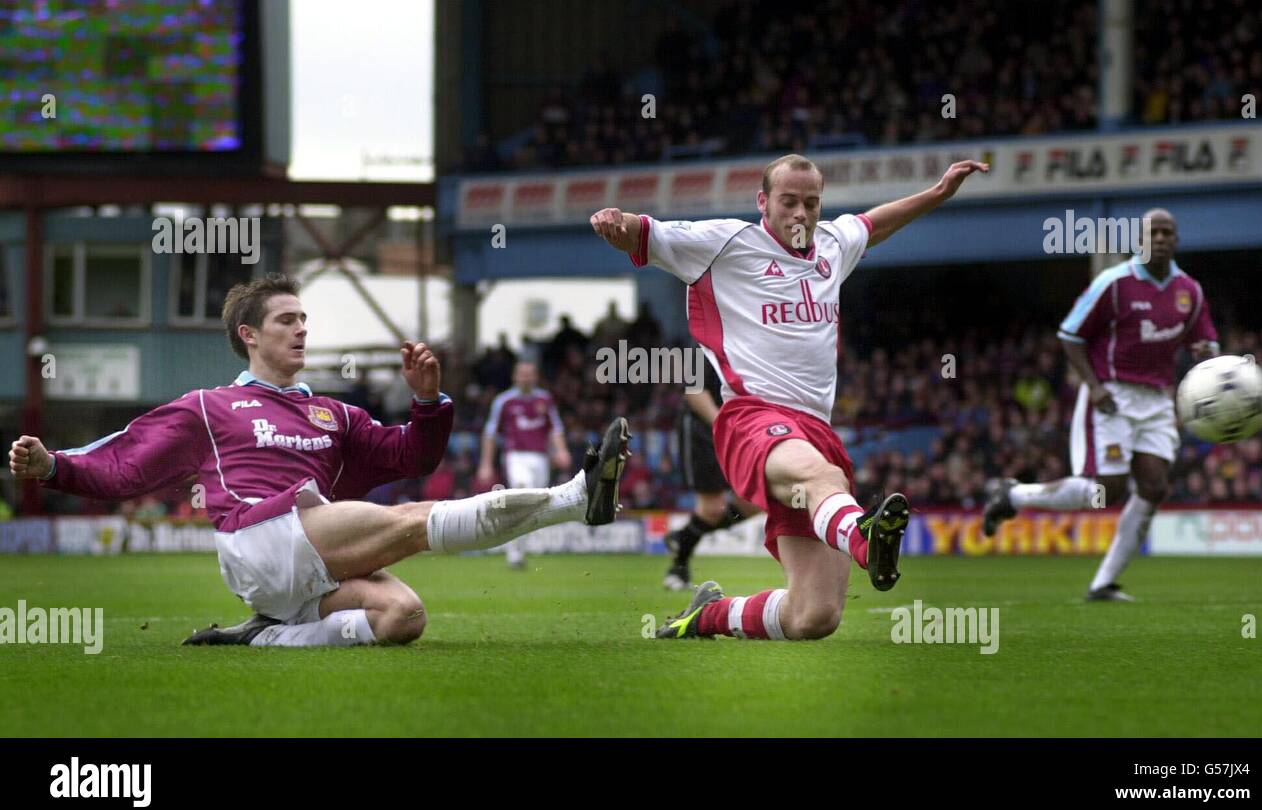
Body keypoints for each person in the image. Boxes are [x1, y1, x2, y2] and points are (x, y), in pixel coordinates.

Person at [9, 275, 628, 647]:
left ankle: (269, 635)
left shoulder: (335, 414)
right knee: (413, 522)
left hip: (306, 560)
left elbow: (413, 454)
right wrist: (54, 466)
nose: (301, 329)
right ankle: (575, 499)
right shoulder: (208, 406)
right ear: (249, 335)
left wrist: (427, 401)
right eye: (286, 320)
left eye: (304, 318)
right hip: (256, 538)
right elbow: (126, 463)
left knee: (404, 618)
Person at [591, 152, 987, 640]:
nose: (801, 213)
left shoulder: (833, 247)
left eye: (812, 203)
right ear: (763, 201)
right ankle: (866, 541)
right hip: (752, 418)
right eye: (789, 201)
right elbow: (650, 234)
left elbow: (873, 224)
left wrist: (937, 193)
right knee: (820, 476)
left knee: (814, 617)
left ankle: (706, 616)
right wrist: (616, 220)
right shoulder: (727, 243)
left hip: (816, 430)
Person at [982, 209, 1218, 601]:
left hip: (1158, 399)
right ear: (1139, 240)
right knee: (1105, 489)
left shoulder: (1189, 291)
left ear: (1176, 240)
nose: (1160, 239)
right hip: (1113, 395)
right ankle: (1014, 495)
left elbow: (1205, 340)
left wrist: (1206, 350)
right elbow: (1070, 335)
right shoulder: (1114, 283)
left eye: (1167, 233)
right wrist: (1093, 387)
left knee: (1155, 486)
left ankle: (1103, 583)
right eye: (1153, 233)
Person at [662, 364, 760, 590]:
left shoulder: (748, 340)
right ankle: (679, 568)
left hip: (739, 427)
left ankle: (683, 539)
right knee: (713, 508)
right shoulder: (700, 341)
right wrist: (722, 424)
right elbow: (694, 391)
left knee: (755, 501)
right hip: (703, 428)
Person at [476, 361, 571, 568]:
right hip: (515, 456)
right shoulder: (504, 401)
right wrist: (486, 464)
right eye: (522, 374)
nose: (526, 378)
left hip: (540, 458)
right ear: (515, 377)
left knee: (532, 506)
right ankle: (513, 553)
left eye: (530, 374)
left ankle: (517, 551)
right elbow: (490, 433)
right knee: (521, 487)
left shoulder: (545, 399)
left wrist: (561, 450)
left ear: (535, 377)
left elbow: (555, 428)